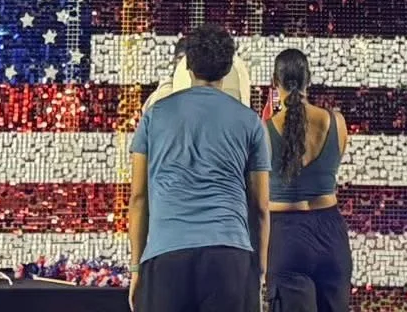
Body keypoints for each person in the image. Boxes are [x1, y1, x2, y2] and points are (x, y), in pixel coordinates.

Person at [128, 23, 271, 312]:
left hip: (167, 256)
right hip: (229, 257)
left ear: (188, 65)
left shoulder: (154, 116)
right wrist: (259, 271)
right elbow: (260, 207)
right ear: (228, 67)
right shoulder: (250, 121)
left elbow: (138, 198)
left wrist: (135, 269)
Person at [262, 49, 350, 312]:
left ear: (274, 82)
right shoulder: (337, 122)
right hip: (331, 234)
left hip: (285, 236)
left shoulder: (263, 130)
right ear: (308, 80)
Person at [148, 36, 254, 110]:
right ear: (174, 60)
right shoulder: (163, 93)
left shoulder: (229, 87)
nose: (184, 65)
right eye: (180, 58)